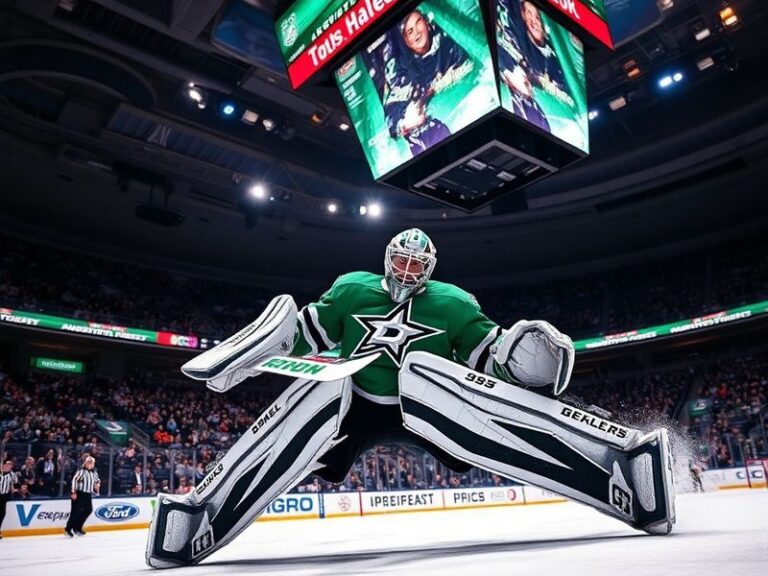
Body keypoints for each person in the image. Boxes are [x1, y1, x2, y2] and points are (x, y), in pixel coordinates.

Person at [146, 228, 675, 568]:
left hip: (430, 408)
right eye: (400, 263)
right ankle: (203, 513)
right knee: (322, 383)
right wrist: (269, 345)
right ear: (387, 260)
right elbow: (308, 334)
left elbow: (484, 360)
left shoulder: (452, 303)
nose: (406, 273)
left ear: (430, 268)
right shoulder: (352, 289)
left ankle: (617, 466)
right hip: (354, 407)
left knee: (422, 371)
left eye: (415, 266)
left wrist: (515, 358)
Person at [382, 10, 473, 154]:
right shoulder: (401, 73)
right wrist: (406, 124)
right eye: (409, 31)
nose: (417, 32)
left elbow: (469, 65)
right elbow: (392, 118)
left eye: (418, 22)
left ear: (427, 23)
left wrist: (438, 86)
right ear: (405, 40)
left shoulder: (447, 42)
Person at [65, 455, 100, 537]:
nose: (91, 464)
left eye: (92, 463)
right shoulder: (81, 471)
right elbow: (74, 480)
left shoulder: (94, 472)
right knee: (75, 512)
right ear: (86, 463)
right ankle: (68, 529)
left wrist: (97, 484)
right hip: (79, 493)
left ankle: (77, 528)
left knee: (88, 510)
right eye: (89, 463)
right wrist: (73, 492)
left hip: (88, 494)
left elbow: (97, 480)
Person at [0, 459, 19, 540]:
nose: (9, 466)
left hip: (4, 496)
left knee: (1, 514)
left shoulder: (12, 475)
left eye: (10, 465)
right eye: (7, 464)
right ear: (3, 465)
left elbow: (15, 483)